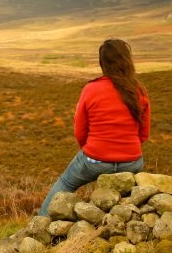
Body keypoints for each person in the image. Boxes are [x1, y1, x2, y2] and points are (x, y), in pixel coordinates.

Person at [38, 38, 151, 216]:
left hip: (95, 160)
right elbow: (143, 134)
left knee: (66, 184)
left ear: (102, 63)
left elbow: (80, 131)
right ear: (127, 61)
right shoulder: (139, 91)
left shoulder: (91, 89)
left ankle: (39, 224)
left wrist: (93, 150)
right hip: (132, 162)